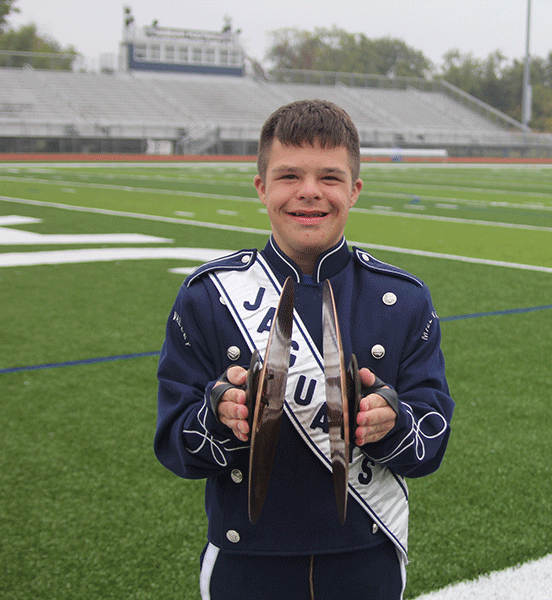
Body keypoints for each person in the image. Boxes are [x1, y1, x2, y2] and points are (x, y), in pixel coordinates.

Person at [155, 99, 454, 600]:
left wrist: (391, 422)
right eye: (289, 175)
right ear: (261, 187)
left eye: (330, 178)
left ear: (355, 191)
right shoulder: (207, 296)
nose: (310, 192)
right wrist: (218, 416)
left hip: (365, 560)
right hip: (246, 563)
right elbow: (172, 443)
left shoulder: (403, 299)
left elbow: (432, 443)